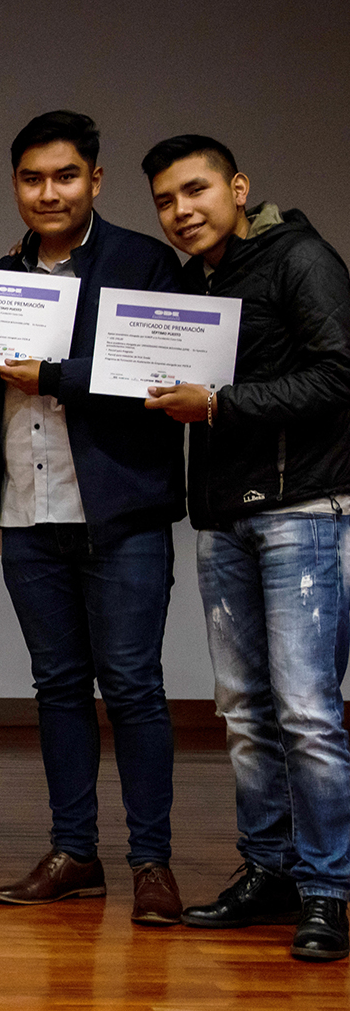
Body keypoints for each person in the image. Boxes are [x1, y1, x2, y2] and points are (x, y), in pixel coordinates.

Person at [140, 135, 350, 961]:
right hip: (222, 518)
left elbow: (340, 374)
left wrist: (218, 404)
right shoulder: (196, 280)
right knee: (241, 710)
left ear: (237, 187)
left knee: (306, 710)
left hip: (304, 511)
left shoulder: (299, 258)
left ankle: (327, 888)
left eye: (194, 190)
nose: (180, 210)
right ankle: (268, 870)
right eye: (164, 200)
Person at [0, 111, 188, 926]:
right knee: (57, 687)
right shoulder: (2, 275)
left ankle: (150, 861)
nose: (48, 192)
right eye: (31, 178)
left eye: (64, 176)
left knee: (133, 686)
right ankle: (74, 853)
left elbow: (159, 375)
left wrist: (53, 373)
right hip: (29, 514)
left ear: (94, 180)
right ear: (15, 185)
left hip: (120, 511)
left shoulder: (142, 262)